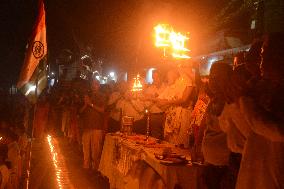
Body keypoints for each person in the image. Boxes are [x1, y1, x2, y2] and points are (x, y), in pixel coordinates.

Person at [157, 63, 196, 147]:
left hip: (183, 114)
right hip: (173, 114)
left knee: (180, 143)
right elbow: (172, 97)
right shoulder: (178, 81)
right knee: (170, 141)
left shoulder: (190, 81)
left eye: (184, 66)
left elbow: (184, 100)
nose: (181, 68)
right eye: (182, 66)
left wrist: (167, 102)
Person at [80, 79, 106, 170]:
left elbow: (102, 110)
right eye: (92, 84)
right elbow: (80, 112)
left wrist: (90, 104)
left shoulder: (102, 96)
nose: (93, 86)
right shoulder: (87, 95)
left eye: (95, 84)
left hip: (97, 126)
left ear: (98, 85)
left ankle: (96, 168)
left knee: (96, 150)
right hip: (86, 126)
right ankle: (86, 167)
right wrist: (85, 104)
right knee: (86, 149)